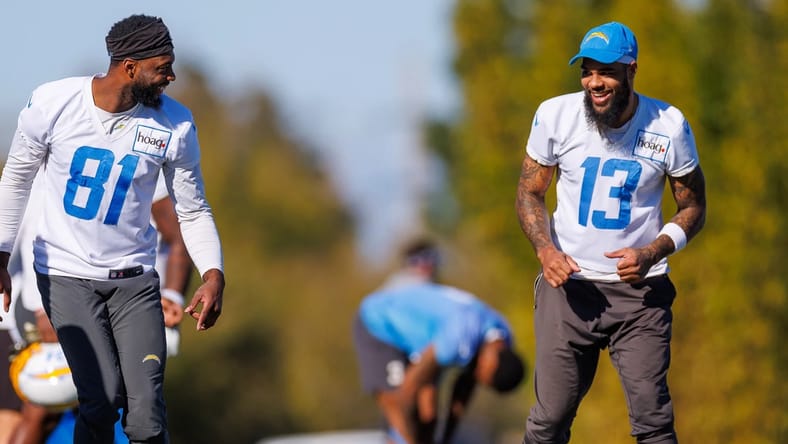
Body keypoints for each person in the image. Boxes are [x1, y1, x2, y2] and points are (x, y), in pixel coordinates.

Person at [0, 14, 225, 444]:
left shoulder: (174, 125)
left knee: (147, 416)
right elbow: (16, 180)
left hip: (134, 282)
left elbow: (192, 210)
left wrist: (213, 272)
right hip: (66, 275)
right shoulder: (54, 104)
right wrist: (0, 253)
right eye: (163, 67)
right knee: (100, 400)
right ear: (130, 67)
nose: (171, 77)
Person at [515, 22, 706, 443]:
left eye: (606, 71)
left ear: (631, 70)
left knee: (653, 421)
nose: (594, 83)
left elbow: (693, 206)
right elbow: (530, 194)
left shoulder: (668, 125)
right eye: (587, 71)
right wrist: (545, 251)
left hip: (639, 294)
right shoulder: (555, 115)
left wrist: (653, 252)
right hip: (569, 289)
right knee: (549, 420)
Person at [7, 174, 193, 444]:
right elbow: (38, 228)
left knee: (139, 403)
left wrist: (172, 296)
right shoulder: (64, 144)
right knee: (46, 405)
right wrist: (41, 305)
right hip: (61, 293)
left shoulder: (152, 148)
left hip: (129, 305)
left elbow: (179, 237)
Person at [353, 241, 525, 444]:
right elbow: (408, 390)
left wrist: (445, 439)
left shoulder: (501, 334)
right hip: (379, 323)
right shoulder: (459, 338)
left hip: (425, 341)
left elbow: (461, 393)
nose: (475, 374)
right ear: (493, 357)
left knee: (429, 416)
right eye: (480, 372)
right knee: (401, 413)